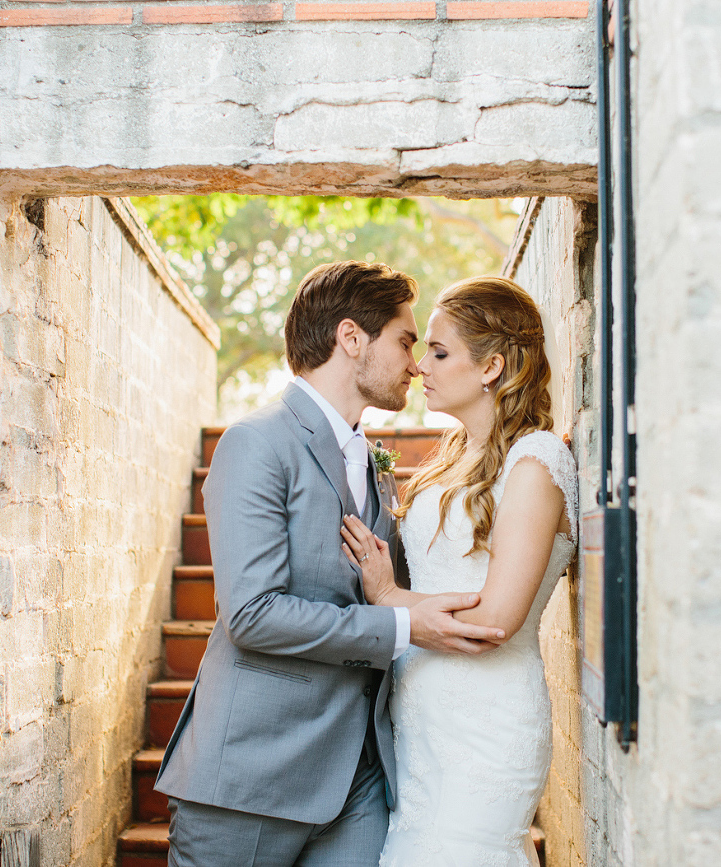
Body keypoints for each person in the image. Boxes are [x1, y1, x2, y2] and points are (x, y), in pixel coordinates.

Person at [155, 261, 506, 867]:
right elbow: (252, 614)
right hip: (250, 779)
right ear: (351, 339)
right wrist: (404, 627)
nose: (416, 363)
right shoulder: (256, 442)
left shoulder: (372, 460)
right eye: (404, 340)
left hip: (359, 780)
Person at [339, 275, 578, 867]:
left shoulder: (536, 461)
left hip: (487, 727)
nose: (420, 367)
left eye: (440, 353)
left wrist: (388, 597)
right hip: (423, 728)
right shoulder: (457, 455)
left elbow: (495, 619)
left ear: (492, 366)